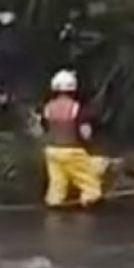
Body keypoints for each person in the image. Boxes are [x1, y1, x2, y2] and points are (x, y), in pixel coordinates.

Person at [39, 70, 109, 208]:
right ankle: (88, 203)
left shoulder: (48, 108)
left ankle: (54, 203)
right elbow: (85, 133)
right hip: (72, 151)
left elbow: (45, 127)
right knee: (90, 184)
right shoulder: (76, 108)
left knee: (57, 183)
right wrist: (90, 146)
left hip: (51, 152)